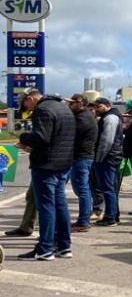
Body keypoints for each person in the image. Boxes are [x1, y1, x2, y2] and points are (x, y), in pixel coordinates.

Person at [15, 89, 75, 260]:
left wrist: (24, 137)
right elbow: (57, 138)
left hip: (46, 165)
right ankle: (63, 246)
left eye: (25, 104)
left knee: (46, 207)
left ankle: (45, 248)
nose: (27, 108)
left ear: (30, 98)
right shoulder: (64, 108)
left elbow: (42, 137)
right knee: (60, 205)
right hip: (63, 163)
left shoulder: (42, 109)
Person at [67, 94, 98, 232]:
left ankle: (84, 221)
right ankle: (84, 219)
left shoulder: (83, 118)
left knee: (82, 189)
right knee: (81, 189)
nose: (69, 105)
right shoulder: (84, 116)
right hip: (82, 157)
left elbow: (68, 134)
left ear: (79, 103)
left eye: (72, 103)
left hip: (81, 157)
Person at [93, 97, 124, 227]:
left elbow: (107, 141)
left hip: (108, 158)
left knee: (108, 188)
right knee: (110, 188)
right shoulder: (111, 116)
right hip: (111, 157)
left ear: (107, 105)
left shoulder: (110, 118)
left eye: (98, 106)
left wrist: (99, 157)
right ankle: (113, 215)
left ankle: (110, 217)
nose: (96, 109)